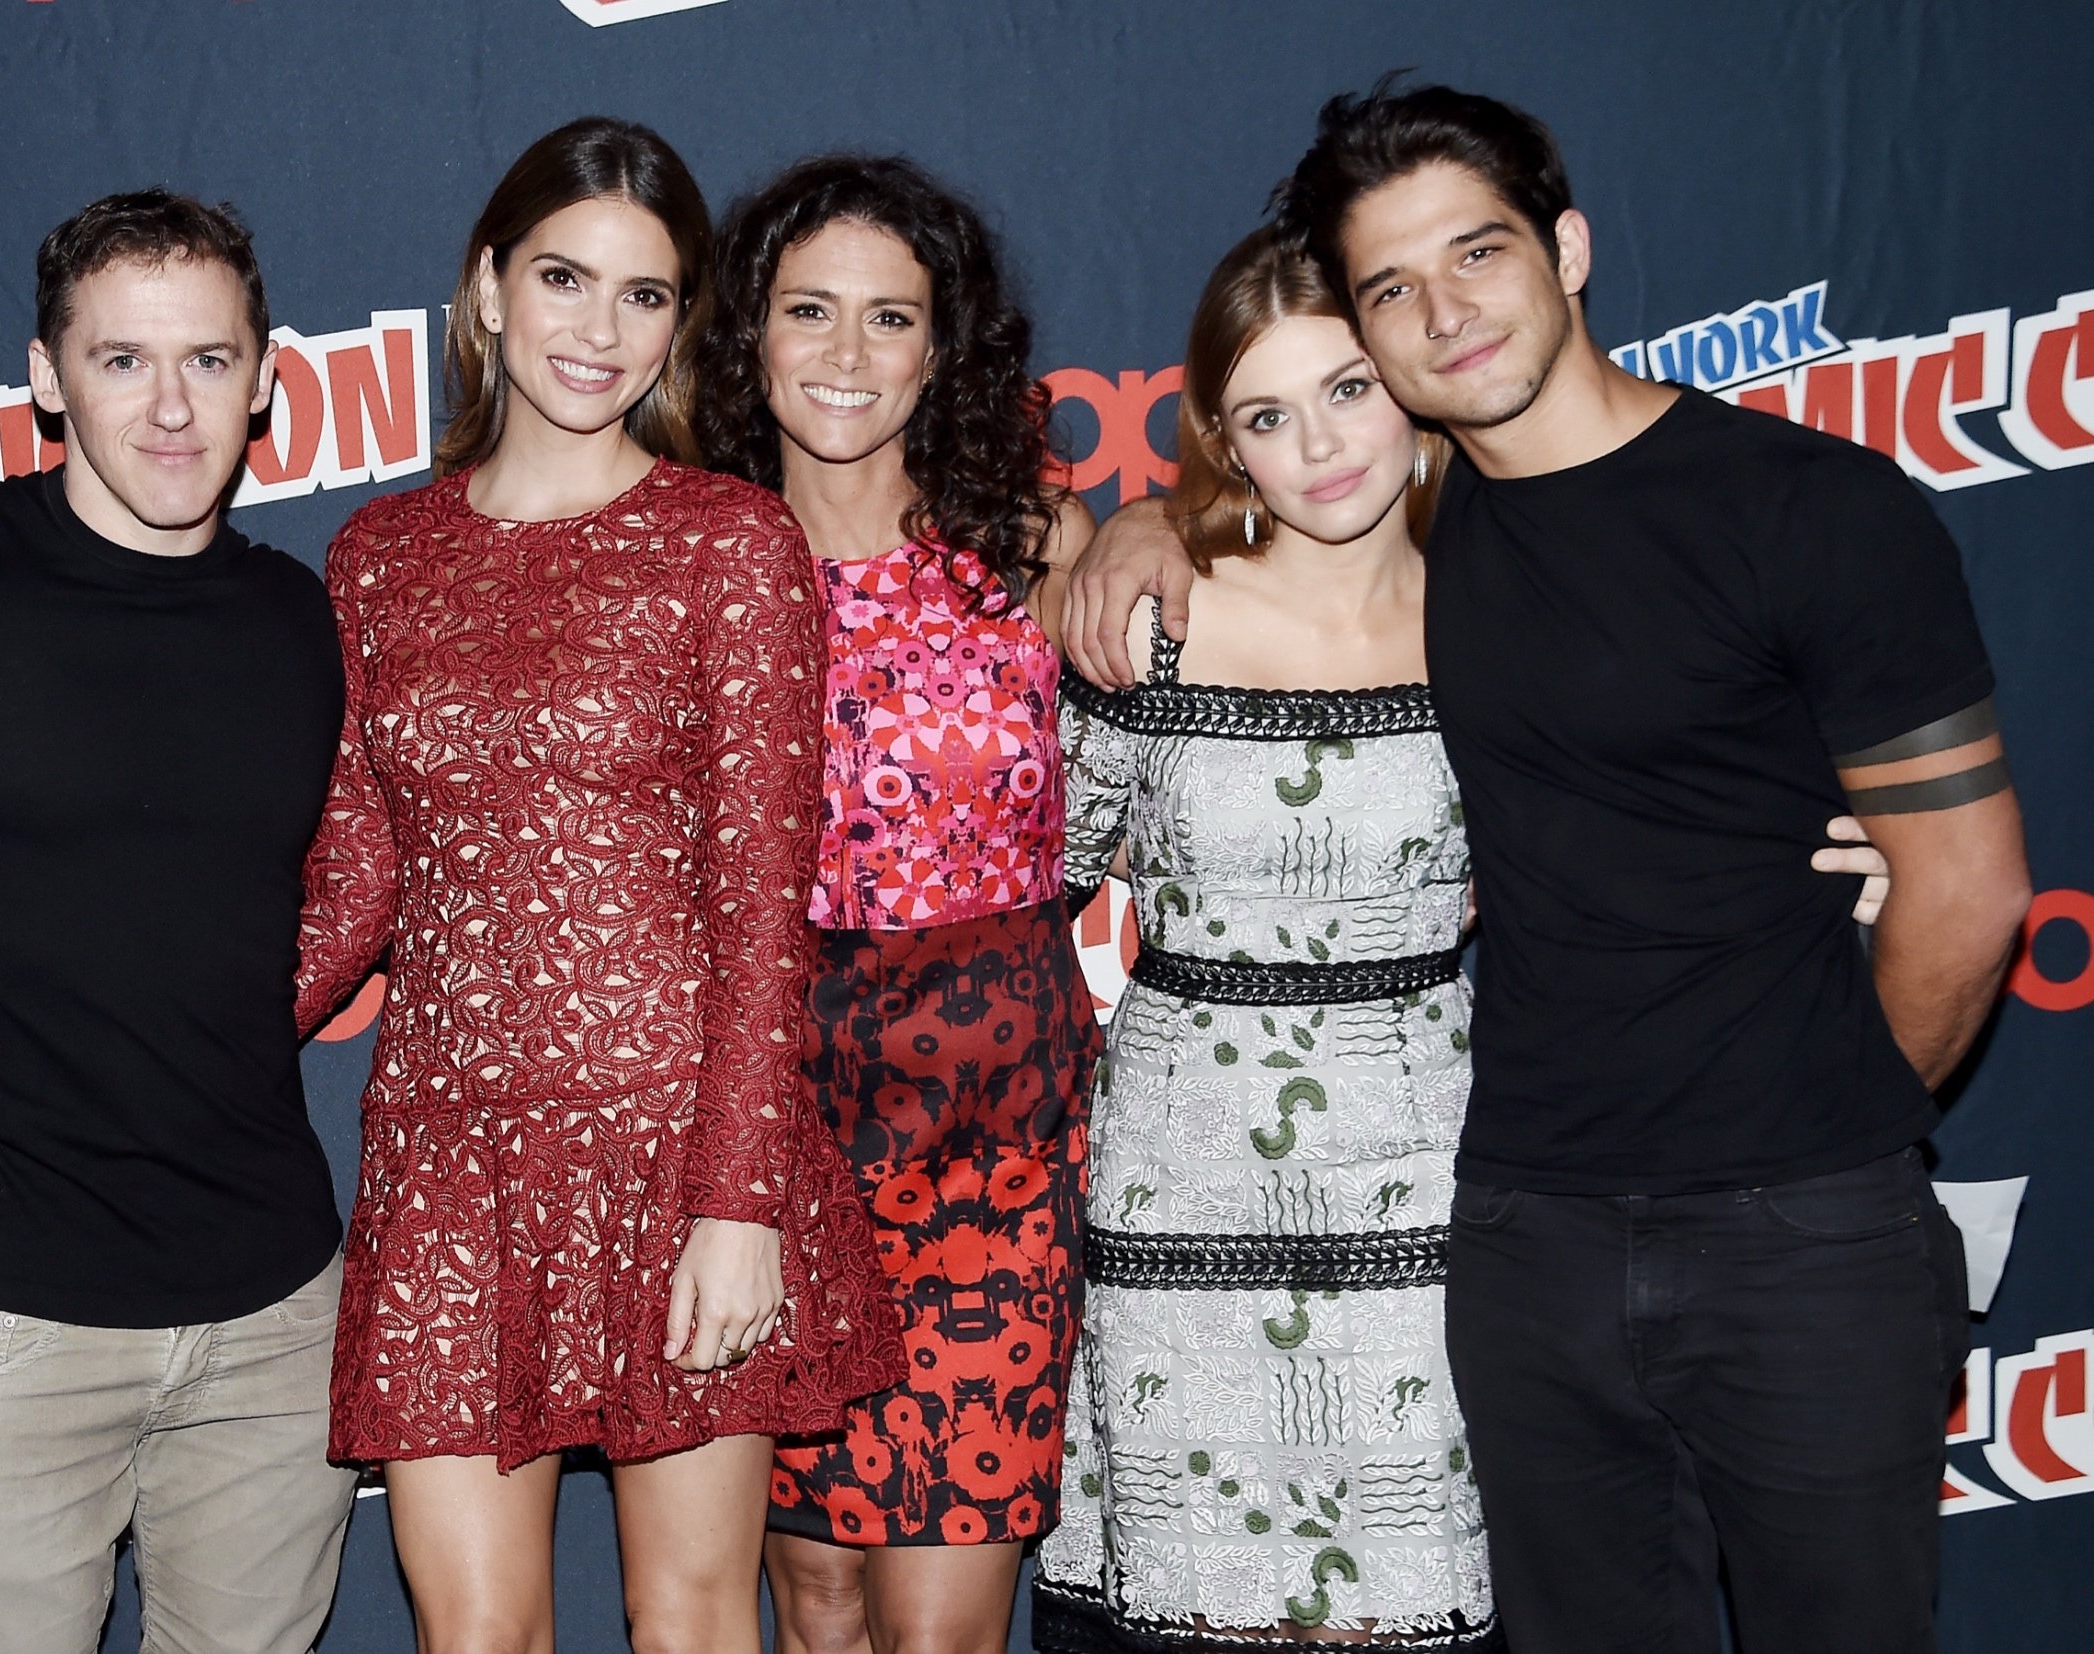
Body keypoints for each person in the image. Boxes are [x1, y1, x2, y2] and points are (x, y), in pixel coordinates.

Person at [1064, 83, 2029, 1654]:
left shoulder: (1812, 509)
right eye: (1391, 290)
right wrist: (1121, 530)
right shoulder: (1447, 546)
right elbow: (1234, 548)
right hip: (1517, 1239)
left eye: (1477, 254)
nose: (1441, 315)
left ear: (1568, 248)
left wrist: (1823, 1150)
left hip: (1798, 1239)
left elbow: (1971, 892)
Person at [292, 116, 901, 1654]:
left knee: (688, 1614)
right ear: (489, 288)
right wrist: (136, 1030)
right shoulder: (378, 555)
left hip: (672, 1145)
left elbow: (771, 905)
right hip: (445, 1159)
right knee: (472, 1626)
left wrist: (739, 1199)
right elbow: (355, 877)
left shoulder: (728, 545)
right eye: (564, 277)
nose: (598, 329)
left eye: (644, 295)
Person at [0, 192, 357, 1654]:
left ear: (266, 377)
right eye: (122, 359)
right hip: (12, 1312)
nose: (174, 407)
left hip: (273, 1311)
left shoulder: (298, 624)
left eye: (208, 359)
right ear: (44, 375)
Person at [1030, 227, 1495, 1652]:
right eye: (1270, 415)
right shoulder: (1151, 615)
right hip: (1183, 1185)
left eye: (1350, 389)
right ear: (1223, 442)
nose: (1323, 447)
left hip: (1430, 1183)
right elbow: (1032, 862)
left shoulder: (1505, 607)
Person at [690, 155, 1097, 1654]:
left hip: (995, 1123)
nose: (847, 357)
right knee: (817, 1597)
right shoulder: (697, 566)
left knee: (940, 1619)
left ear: (944, 347)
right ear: (750, 332)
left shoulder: (1033, 548)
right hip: (776, 1115)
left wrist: (1161, 529)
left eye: (889, 318)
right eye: (810, 311)